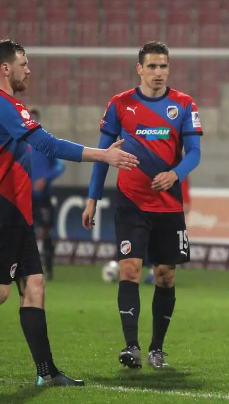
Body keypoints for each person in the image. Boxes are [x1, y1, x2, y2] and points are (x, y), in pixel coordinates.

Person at [0, 39, 138, 387]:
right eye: (23, 63)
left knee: (34, 287)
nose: (28, 69)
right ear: (5, 68)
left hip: (15, 213)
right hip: (1, 213)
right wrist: (104, 155)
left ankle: (46, 372)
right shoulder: (5, 105)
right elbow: (46, 144)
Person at [82, 41, 202, 369]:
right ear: (140, 69)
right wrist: (92, 199)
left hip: (168, 205)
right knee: (130, 269)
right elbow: (103, 155)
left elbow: (194, 153)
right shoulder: (120, 105)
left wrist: (174, 175)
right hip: (131, 202)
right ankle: (131, 346)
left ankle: (156, 348)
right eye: (152, 66)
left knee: (165, 276)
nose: (158, 72)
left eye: (163, 66)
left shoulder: (183, 104)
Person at [30, 108, 65, 281]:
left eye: (35, 121)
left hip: (42, 196)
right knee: (23, 231)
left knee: (45, 232)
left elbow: (60, 166)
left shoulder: (46, 144)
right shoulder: (20, 144)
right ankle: (23, 267)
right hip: (23, 196)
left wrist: (46, 178)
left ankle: (49, 269)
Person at [144, 176, 191, 285]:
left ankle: (156, 272)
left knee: (166, 263)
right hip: (147, 214)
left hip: (169, 218)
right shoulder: (146, 169)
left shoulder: (179, 173)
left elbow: (186, 206)